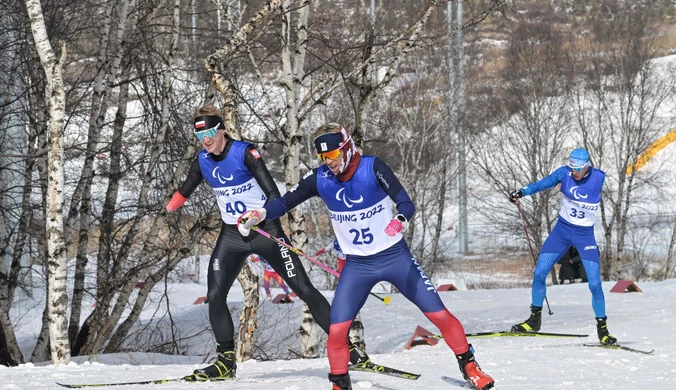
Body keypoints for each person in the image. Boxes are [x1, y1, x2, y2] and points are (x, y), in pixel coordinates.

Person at [238, 123, 495, 390]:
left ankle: (470, 367)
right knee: (337, 331)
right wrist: (259, 214)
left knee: (439, 314)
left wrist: (400, 219)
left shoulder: (372, 168)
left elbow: (405, 201)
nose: (330, 163)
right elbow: (283, 203)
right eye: (323, 158)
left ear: (347, 148)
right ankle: (339, 384)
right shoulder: (320, 178)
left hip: (395, 258)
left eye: (334, 155)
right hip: (357, 266)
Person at [165, 108, 370, 381]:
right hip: (232, 236)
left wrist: (259, 215)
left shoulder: (245, 153)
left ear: (222, 129)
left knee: (304, 289)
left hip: (264, 230)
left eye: (210, 132)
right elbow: (187, 187)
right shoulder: (203, 160)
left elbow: (274, 194)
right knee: (215, 295)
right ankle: (225, 362)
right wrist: (168, 207)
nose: (205, 138)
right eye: (199, 133)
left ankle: (350, 350)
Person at [509, 148, 617, 346]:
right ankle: (534, 319)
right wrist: (521, 192)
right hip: (561, 232)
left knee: (594, 284)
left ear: (587, 166)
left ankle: (603, 330)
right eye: (572, 167)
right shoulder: (564, 173)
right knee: (540, 272)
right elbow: (542, 184)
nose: (574, 171)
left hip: (585, 236)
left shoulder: (599, 177)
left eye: (578, 168)